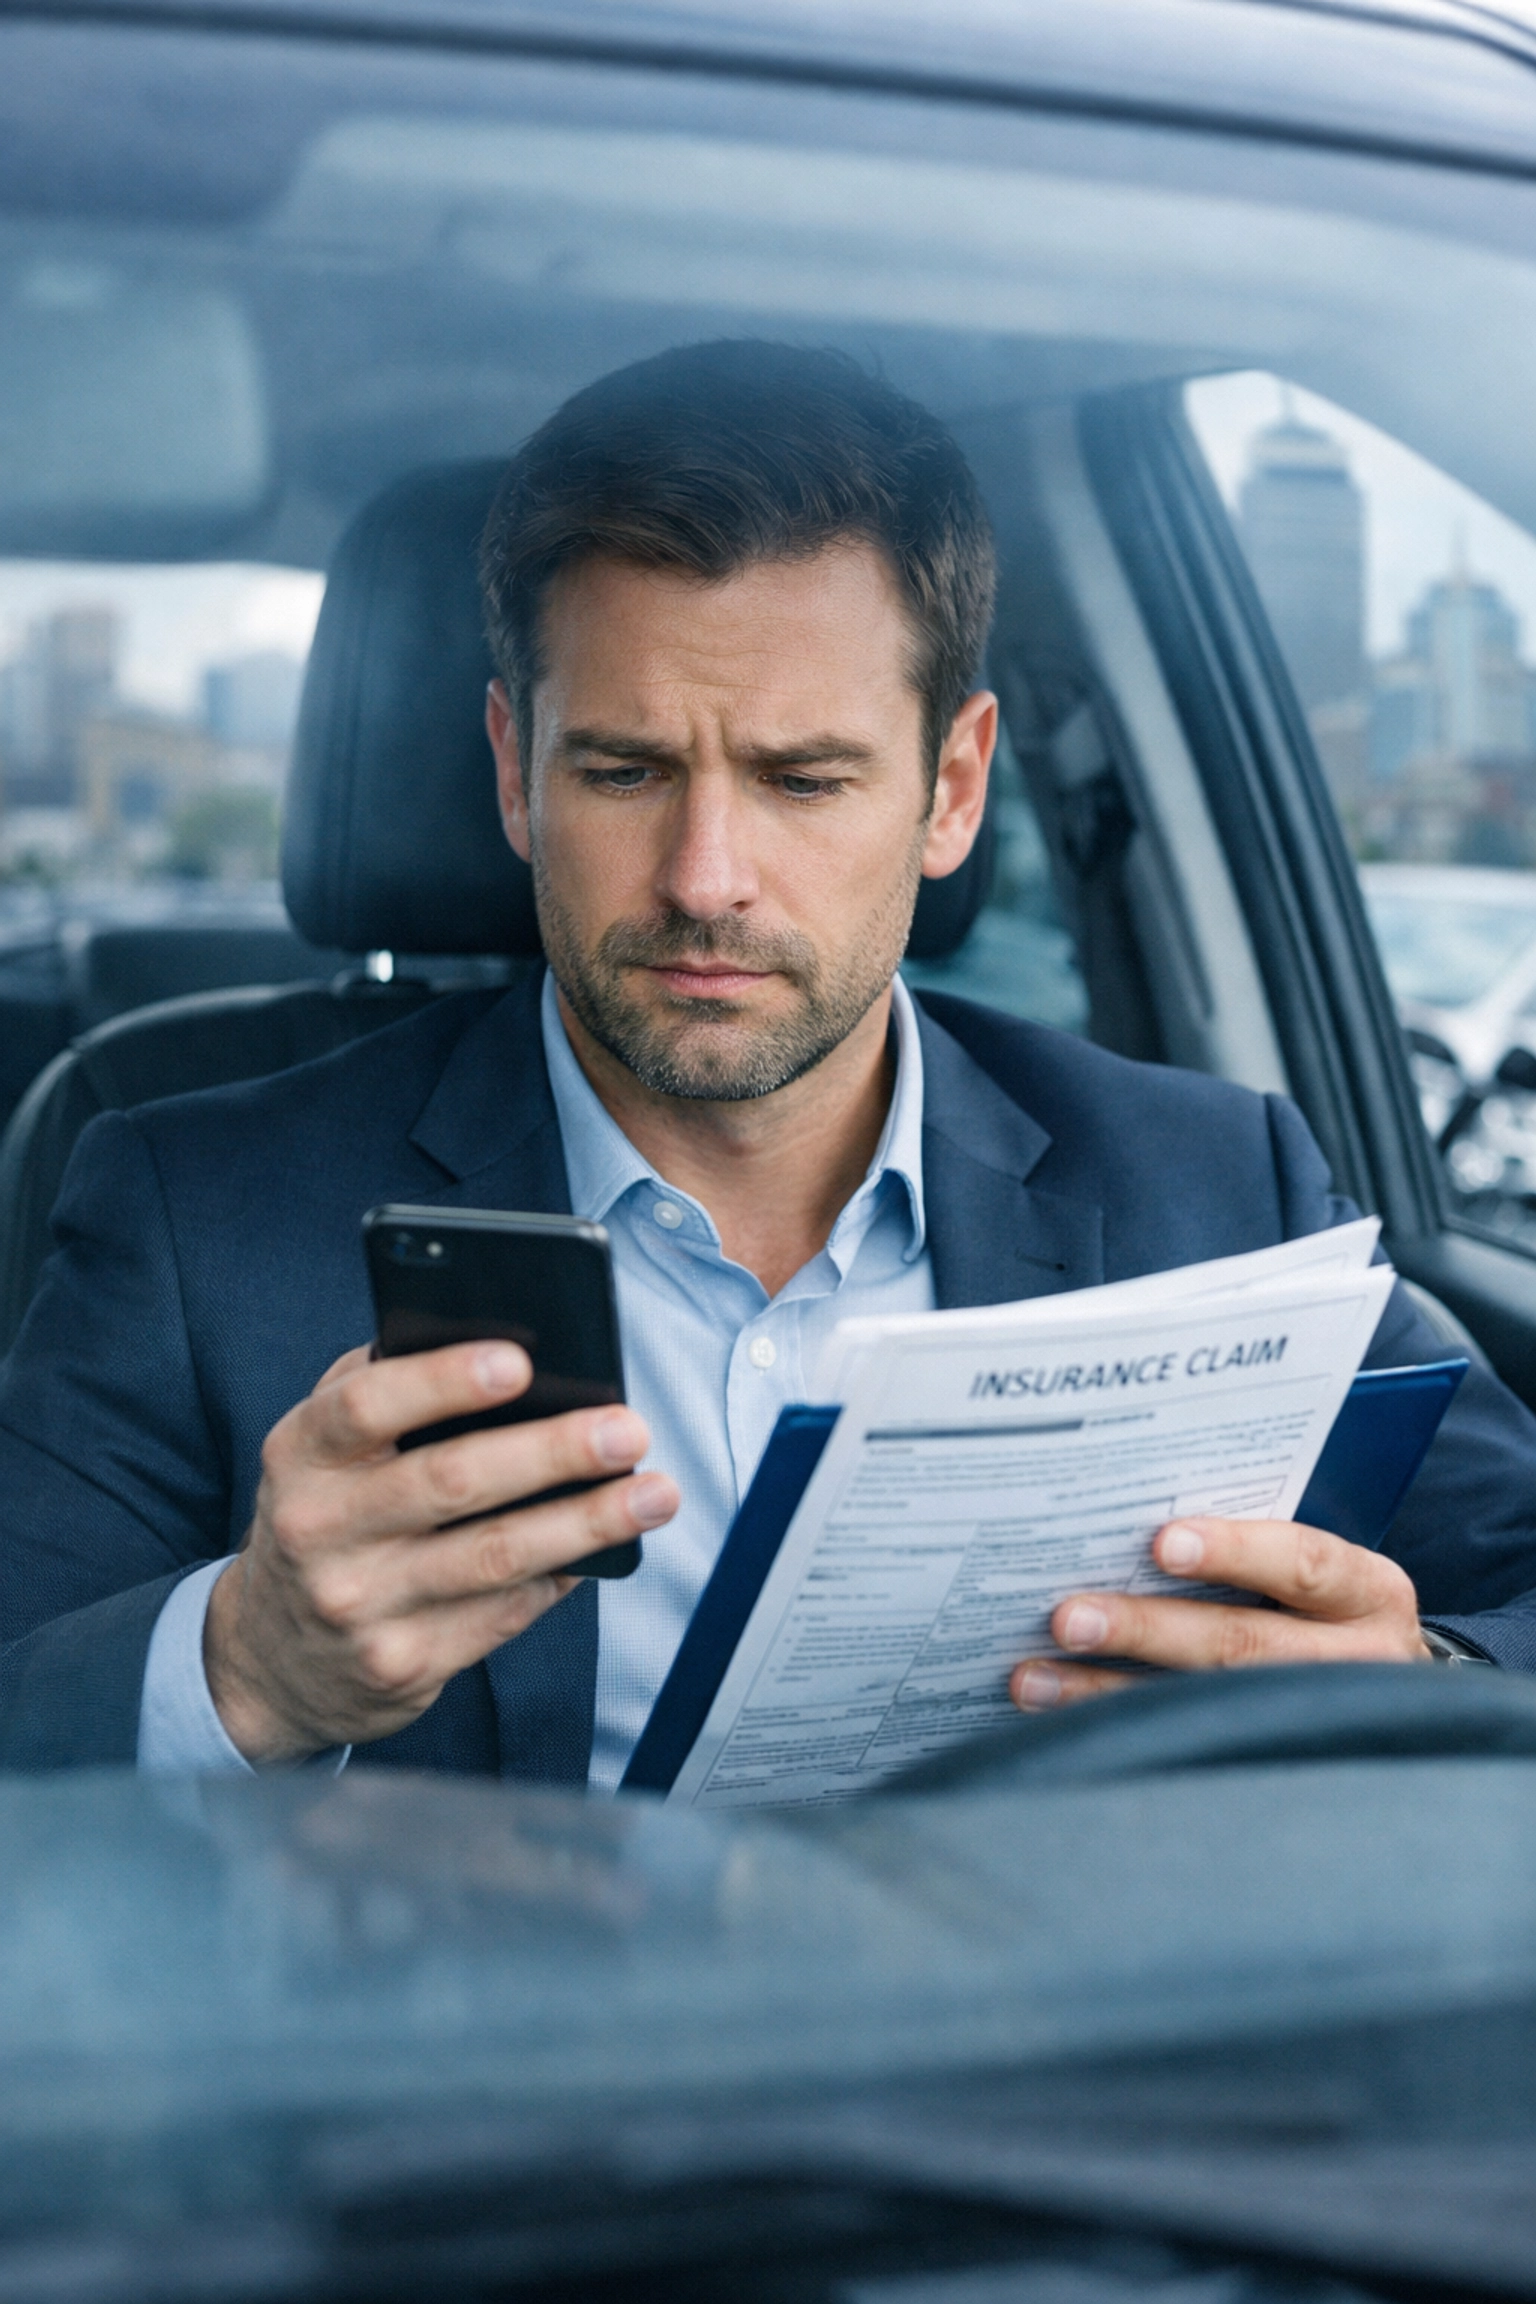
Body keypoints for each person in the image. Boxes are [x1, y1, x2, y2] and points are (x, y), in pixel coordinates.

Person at [2, 341, 1534, 1781]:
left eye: (803, 780)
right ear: (513, 776)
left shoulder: (1218, 1185)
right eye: (623, 769)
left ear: (951, 792)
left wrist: (1421, 1682)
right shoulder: (193, 1212)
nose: (706, 876)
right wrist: (247, 1669)